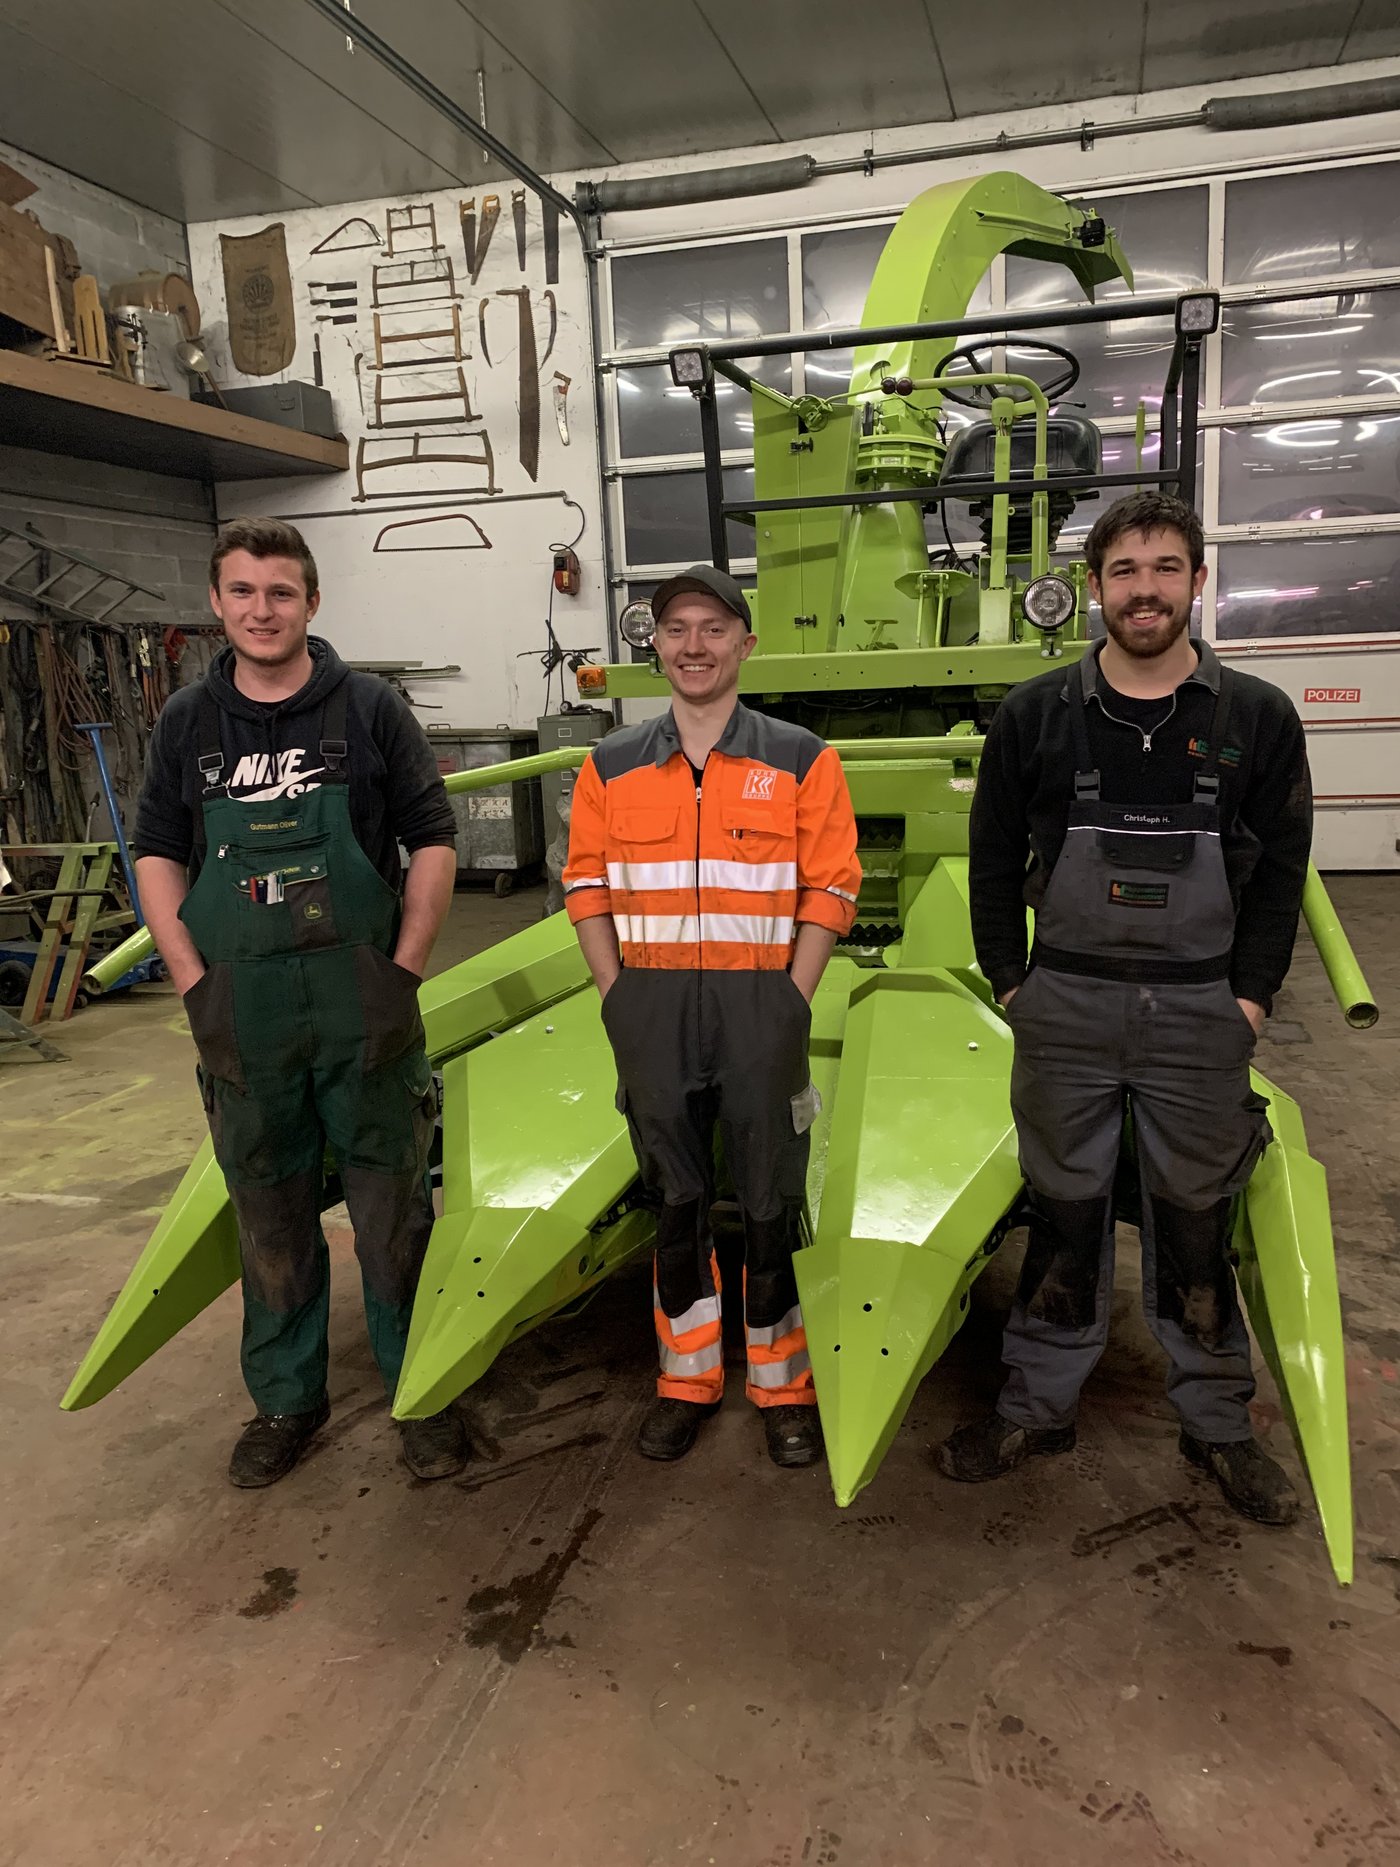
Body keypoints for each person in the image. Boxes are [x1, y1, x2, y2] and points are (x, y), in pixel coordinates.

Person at [937, 490, 1312, 1527]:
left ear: (1196, 580)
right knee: (1061, 1214)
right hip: (1064, 1001)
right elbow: (987, 854)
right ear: (1093, 588)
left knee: (1195, 1222)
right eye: (1122, 570)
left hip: (1198, 1012)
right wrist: (1007, 976)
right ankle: (1036, 1405)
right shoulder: (1038, 714)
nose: (1142, 589)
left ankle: (1215, 1425)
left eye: (1162, 568)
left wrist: (1249, 997)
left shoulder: (1254, 720)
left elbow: (1280, 869)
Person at [134, 517, 468, 1488]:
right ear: (217, 603)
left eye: (280, 592)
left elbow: (432, 835)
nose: (261, 609)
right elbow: (156, 847)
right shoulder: (187, 724)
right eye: (243, 591)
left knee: (393, 1211)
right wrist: (192, 975)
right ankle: (286, 1398)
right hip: (245, 1012)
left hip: (361, 1004)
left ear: (312, 602)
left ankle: (423, 1389)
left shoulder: (368, 710)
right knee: (269, 1212)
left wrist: (401, 966)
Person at [563, 565, 861, 1468]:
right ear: (655, 645)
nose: (693, 645)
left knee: (769, 1196)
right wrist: (620, 994)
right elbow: (584, 885)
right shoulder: (609, 765)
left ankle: (783, 1384)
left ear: (744, 643)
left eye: (712, 628)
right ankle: (686, 1377)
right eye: (676, 629)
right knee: (677, 1197)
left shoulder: (802, 758)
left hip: (759, 1003)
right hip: (651, 1003)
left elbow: (832, 885)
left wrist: (789, 997)